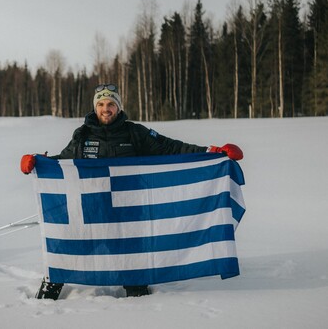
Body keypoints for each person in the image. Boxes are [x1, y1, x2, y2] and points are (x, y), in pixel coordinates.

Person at [20, 84, 243, 300]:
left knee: (134, 273)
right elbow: (65, 162)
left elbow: (170, 148)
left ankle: (138, 312)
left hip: (128, 215)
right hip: (91, 212)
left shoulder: (135, 133)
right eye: (101, 104)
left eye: (110, 104)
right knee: (64, 253)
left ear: (118, 107)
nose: (105, 109)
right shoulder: (82, 135)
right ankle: (45, 298)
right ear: (94, 107)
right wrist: (39, 163)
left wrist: (211, 152)